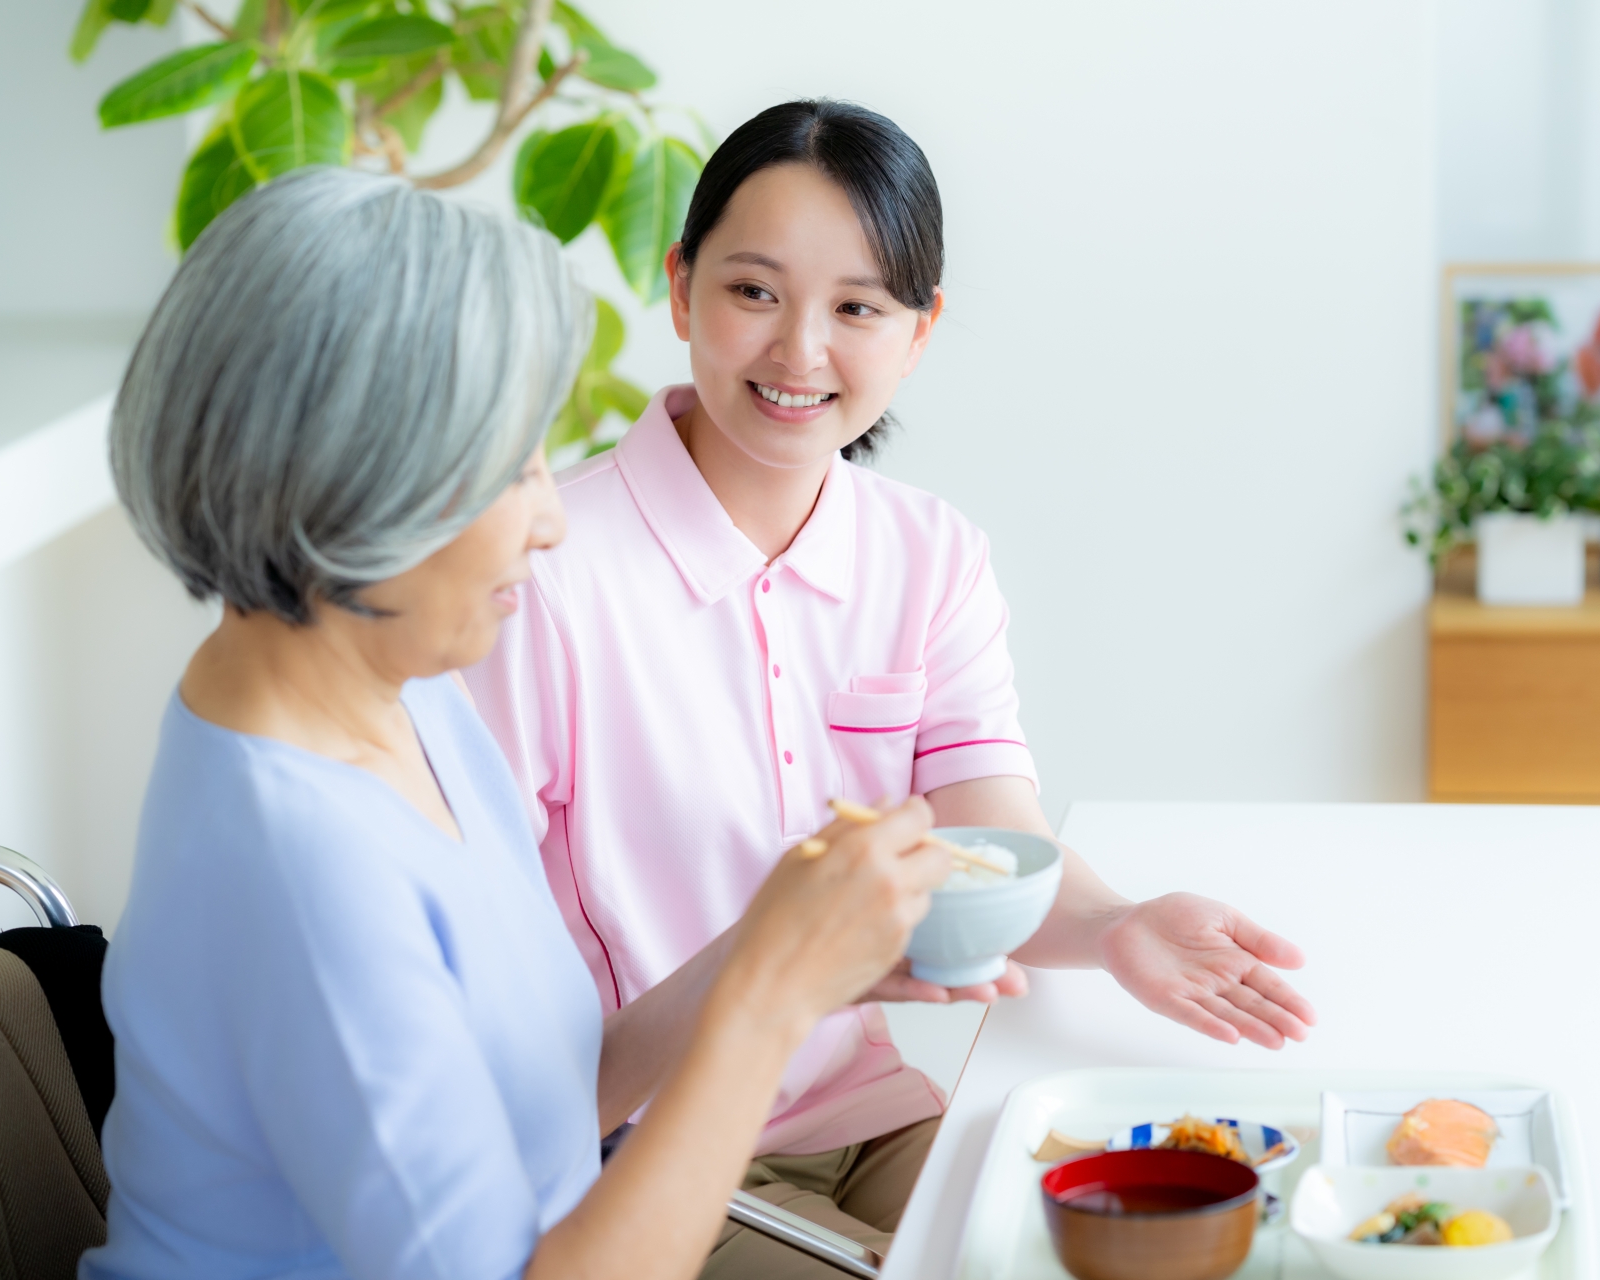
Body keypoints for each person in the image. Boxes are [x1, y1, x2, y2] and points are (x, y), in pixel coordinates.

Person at [465, 99, 1319, 1271]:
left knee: (1139, 1245)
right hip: (644, 1152)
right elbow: (482, 1011)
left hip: (867, 1115)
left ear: (919, 333)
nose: (800, 350)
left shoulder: (930, 556)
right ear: (680, 288)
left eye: (857, 307)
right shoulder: (543, 570)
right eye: (753, 291)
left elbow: (992, 842)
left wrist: (1117, 923)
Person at [79, 166, 956, 1280]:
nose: (552, 520)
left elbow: (550, 1085)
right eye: (513, 469)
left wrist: (789, 942)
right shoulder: (297, 855)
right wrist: (769, 996)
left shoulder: (400, 690)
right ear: (354, 482)